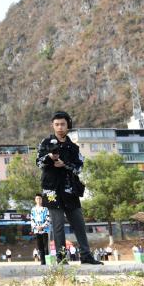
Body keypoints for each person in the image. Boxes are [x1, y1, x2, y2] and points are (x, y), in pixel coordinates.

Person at [37, 111, 102, 265]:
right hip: (51, 190)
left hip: (70, 189)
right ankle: (61, 258)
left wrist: (65, 165)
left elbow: (79, 167)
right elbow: (38, 163)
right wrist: (49, 158)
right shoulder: (45, 143)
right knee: (58, 224)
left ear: (68, 125)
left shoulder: (73, 147)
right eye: (57, 124)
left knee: (79, 223)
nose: (59, 127)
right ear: (52, 126)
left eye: (63, 124)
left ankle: (86, 255)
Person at [29, 194, 50, 265]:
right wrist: (36, 227)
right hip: (37, 230)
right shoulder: (33, 209)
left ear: (42, 200)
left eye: (40, 198)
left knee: (46, 247)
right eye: (37, 198)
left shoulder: (45, 209)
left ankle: (47, 261)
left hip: (45, 230)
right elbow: (32, 220)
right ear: (35, 200)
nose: (38, 200)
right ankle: (42, 262)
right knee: (40, 246)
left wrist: (43, 226)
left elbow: (48, 219)